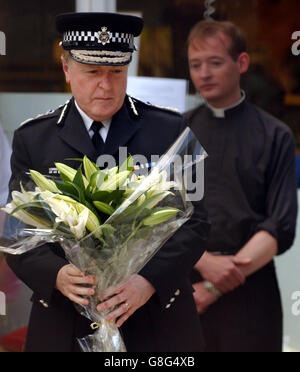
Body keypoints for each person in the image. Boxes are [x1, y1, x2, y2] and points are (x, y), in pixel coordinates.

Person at [6, 12, 210, 352]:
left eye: (116, 72)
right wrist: (55, 274)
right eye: (92, 72)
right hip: (63, 318)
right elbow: (18, 229)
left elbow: (197, 222)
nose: (106, 84)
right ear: (67, 69)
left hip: (155, 318)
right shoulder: (34, 138)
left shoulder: (169, 131)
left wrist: (148, 281)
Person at [184, 20, 298, 352]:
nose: (204, 73)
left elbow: (280, 225)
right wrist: (202, 261)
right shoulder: (178, 131)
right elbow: (163, 215)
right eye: (195, 64)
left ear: (242, 63)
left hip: (251, 295)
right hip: (186, 291)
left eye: (215, 62)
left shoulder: (274, 135)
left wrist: (214, 287)